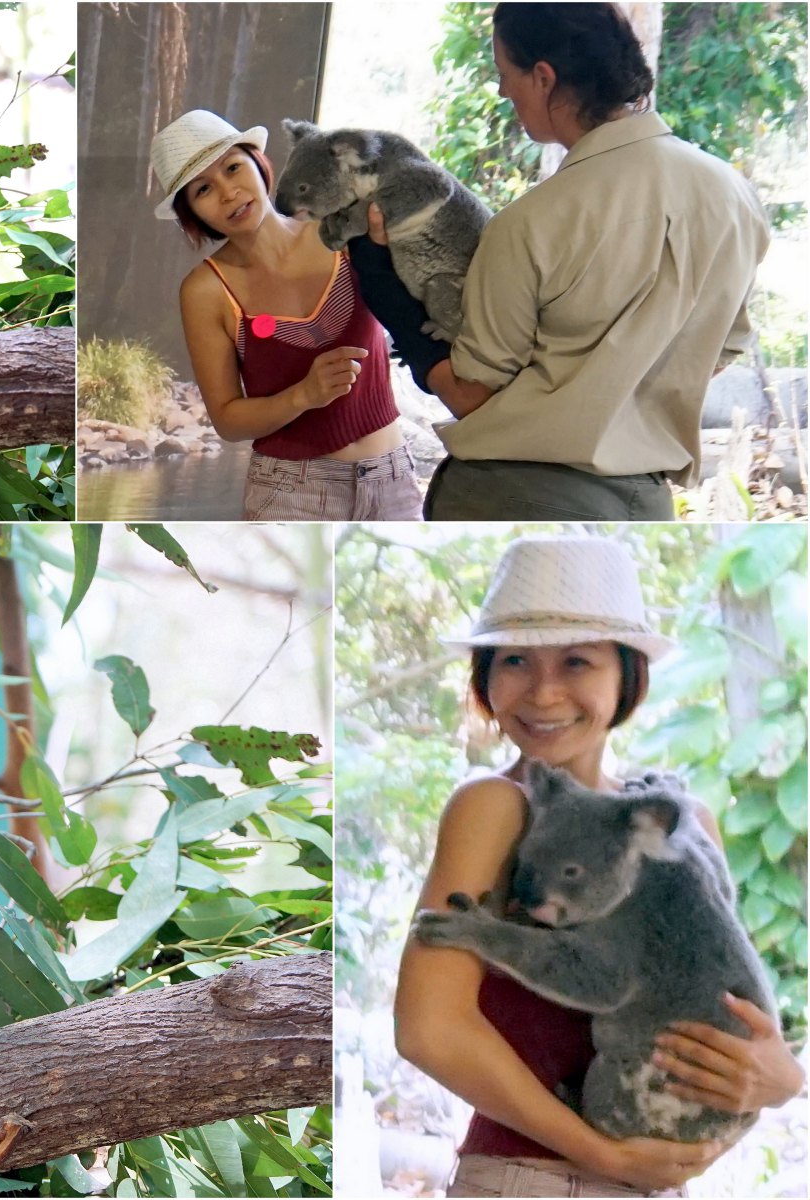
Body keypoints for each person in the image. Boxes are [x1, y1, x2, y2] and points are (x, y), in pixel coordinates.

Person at [395, 535, 804, 1197]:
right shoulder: (498, 805)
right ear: (485, 676)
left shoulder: (684, 825)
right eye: (516, 660)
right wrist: (601, 1154)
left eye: (578, 662)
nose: (544, 692)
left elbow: (736, 990)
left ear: (627, 676)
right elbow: (428, 1029)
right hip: (538, 1178)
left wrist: (782, 1079)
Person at [352, 3, 771, 520]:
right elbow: (724, 346)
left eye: (506, 75)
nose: (504, 91)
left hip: (516, 492)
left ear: (544, 77)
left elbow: (471, 398)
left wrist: (386, 293)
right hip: (646, 506)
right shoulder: (735, 196)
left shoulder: (531, 224)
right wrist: (623, 385)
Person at [151, 109, 421, 520]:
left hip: (394, 480)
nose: (228, 192)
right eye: (203, 189)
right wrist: (302, 396)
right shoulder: (205, 290)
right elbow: (228, 418)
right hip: (291, 493)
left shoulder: (342, 233)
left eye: (233, 167)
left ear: (259, 165)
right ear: (192, 213)